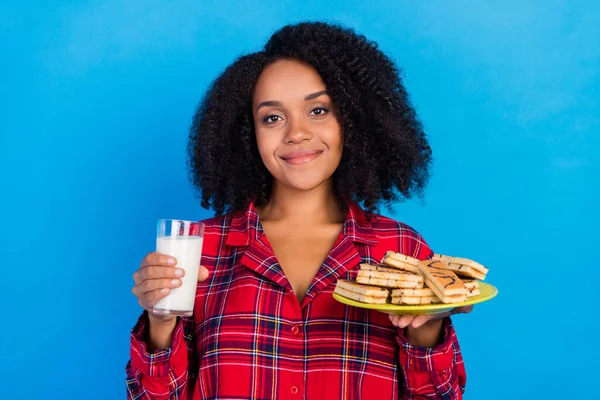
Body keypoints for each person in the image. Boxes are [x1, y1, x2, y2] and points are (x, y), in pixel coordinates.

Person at [126, 21, 473, 399]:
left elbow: (439, 395)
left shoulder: (400, 248)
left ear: (352, 120)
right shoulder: (200, 249)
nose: (296, 133)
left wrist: (426, 325)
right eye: (272, 117)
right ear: (247, 134)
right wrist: (160, 322)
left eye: (318, 110)